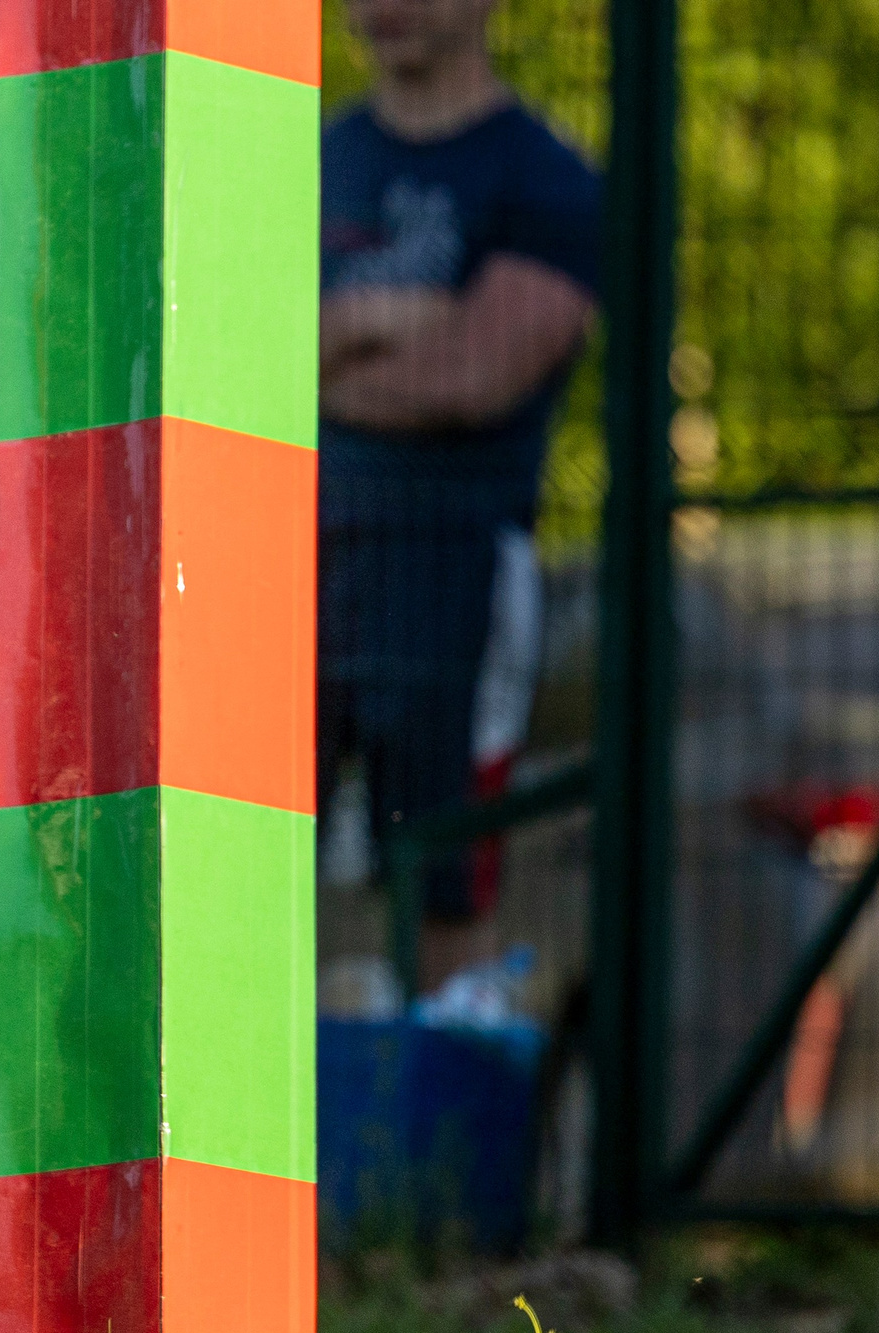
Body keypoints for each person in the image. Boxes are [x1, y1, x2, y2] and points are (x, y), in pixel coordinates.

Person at [319, 0, 600, 991]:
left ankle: (436, 1129)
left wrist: (313, 354)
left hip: (456, 568)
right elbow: (225, 357)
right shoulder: (308, 156)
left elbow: (473, 376)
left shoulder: (544, 178)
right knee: (248, 856)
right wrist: (388, 315)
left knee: (444, 875)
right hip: (289, 560)